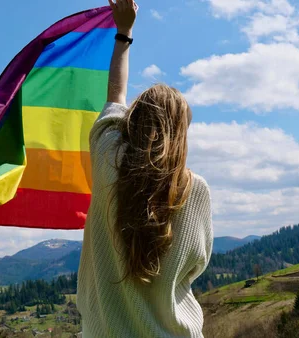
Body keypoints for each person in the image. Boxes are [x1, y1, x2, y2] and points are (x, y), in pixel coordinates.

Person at [77, 0, 214, 337]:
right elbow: (196, 264)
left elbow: (115, 94)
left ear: (131, 122)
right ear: (181, 132)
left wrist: (124, 32)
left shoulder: (108, 157)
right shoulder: (196, 191)